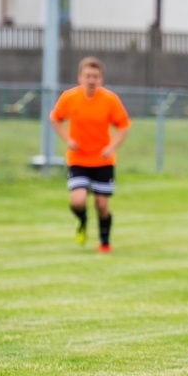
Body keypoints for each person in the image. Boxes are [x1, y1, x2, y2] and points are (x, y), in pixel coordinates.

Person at [50, 56, 131, 253]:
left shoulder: (110, 100)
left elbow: (124, 126)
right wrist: (67, 140)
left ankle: (104, 242)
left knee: (102, 205)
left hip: (103, 161)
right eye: (88, 76)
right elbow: (55, 118)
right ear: (80, 77)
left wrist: (112, 147)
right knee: (78, 200)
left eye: (95, 76)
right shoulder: (69, 98)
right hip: (78, 159)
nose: (91, 80)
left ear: (101, 79)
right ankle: (82, 220)